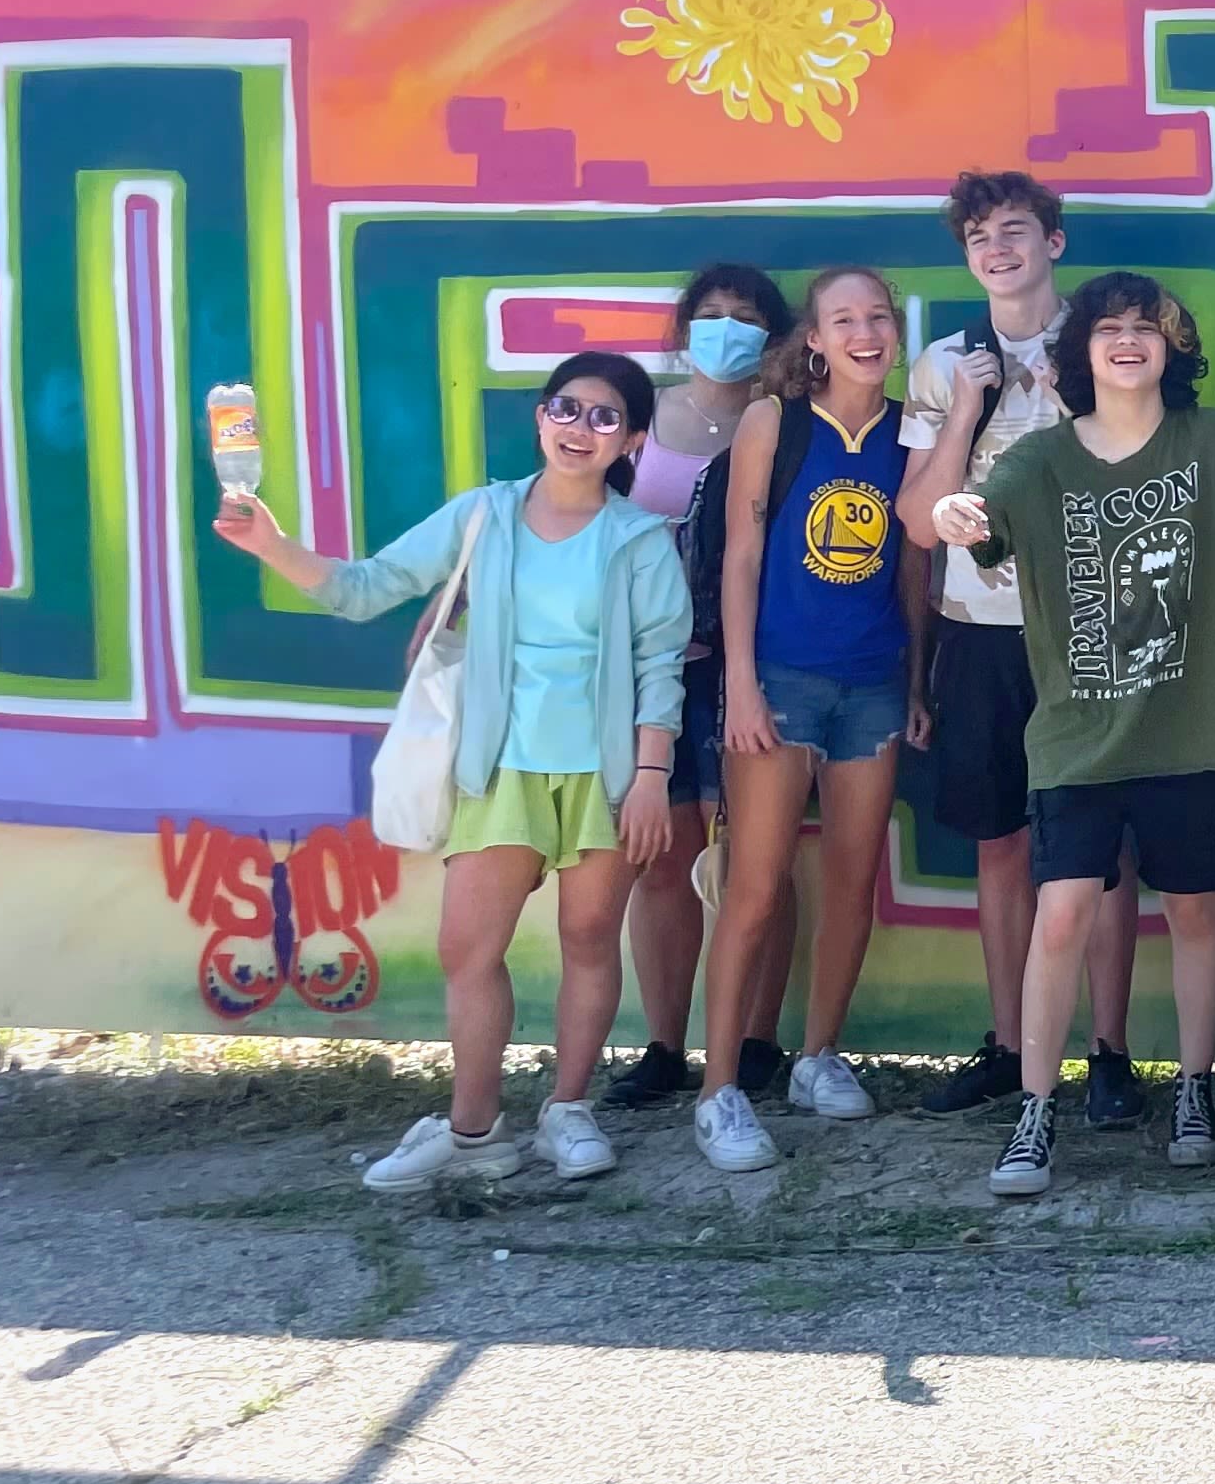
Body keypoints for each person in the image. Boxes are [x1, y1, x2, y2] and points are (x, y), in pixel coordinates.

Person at [214, 355, 688, 1191]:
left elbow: (660, 664)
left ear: (634, 441)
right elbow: (366, 589)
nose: (580, 428)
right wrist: (272, 544)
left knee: (588, 940)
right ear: (541, 419)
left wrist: (651, 775)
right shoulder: (484, 515)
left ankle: (568, 1111)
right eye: (565, 408)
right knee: (468, 950)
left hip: (607, 777)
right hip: (497, 766)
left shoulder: (640, 540)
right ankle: (474, 1132)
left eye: (606, 417)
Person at [927, 272, 1215, 1195]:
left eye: (1146, 329)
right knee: (1063, 912)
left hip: (1195, 731)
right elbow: (959, 522)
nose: (1127, 341)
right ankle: (1037, 1111)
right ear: (1079, 354)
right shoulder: (1037, 462)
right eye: (1108, 328)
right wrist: (955, 514)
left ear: (1173, 350)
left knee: (1195, 910)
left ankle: (1196, 1089)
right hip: (1074, 736)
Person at [895, 171, 1150, 1127]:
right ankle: (1010, 1046)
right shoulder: (942, 362)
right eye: (978, 237)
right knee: (1001, 846)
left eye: (1014, 230)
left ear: (1055, 241)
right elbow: (919, 525)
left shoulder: (1108, 342)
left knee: (1104, 850)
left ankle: (1113, 1054)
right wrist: (967, 409)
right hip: (980, 636)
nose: (996, 249)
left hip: (1095, 631)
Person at [692, 266, 911, 1172]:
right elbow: (740, 558)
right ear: (813, 339)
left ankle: (818, 1056)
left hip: (876, 684)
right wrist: (739, 684)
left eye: (879, 317)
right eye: (843, 319)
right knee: (755, 885)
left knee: (855, 883)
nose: (865, 332)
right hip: (780, 678)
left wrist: (922, 680)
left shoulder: (911, 432)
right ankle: (719, 1091)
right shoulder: (771, 423)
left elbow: (913, 571)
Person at [608, 263, 799, 1112]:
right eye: (711, 315)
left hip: (755, 670)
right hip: (652, 674)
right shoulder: (637, 422)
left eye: (746, 317)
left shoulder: (787, 426)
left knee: (760, 865)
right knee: (661, 861)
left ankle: (757, 1038)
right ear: (683, 330)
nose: (726, 329)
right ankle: (662, 1044)